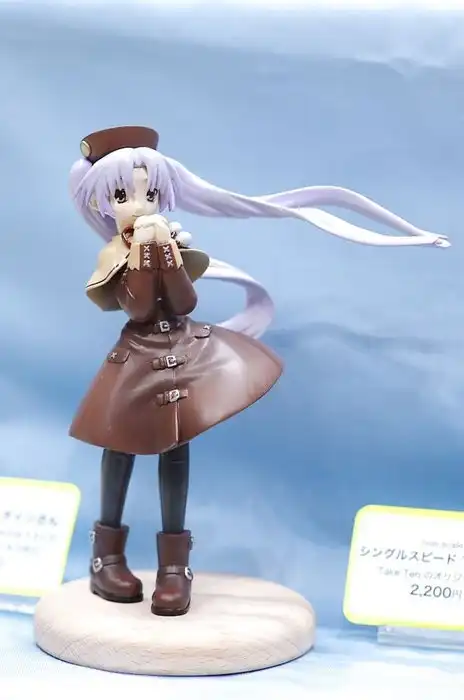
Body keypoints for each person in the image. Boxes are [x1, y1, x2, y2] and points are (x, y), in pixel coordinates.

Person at [68, 125, 449, 616]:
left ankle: (174, 568)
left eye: (150, 193)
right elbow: (139, 308)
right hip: (136, 357)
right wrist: (146, 254)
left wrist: (168, 256)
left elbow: (184, 302)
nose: (140, 206)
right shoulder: (114, 254)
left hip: (179, 350)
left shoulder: (168, 242)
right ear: (101, 201)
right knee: (120, 445)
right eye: (124, 196)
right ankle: (106, 558)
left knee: (177, 447)